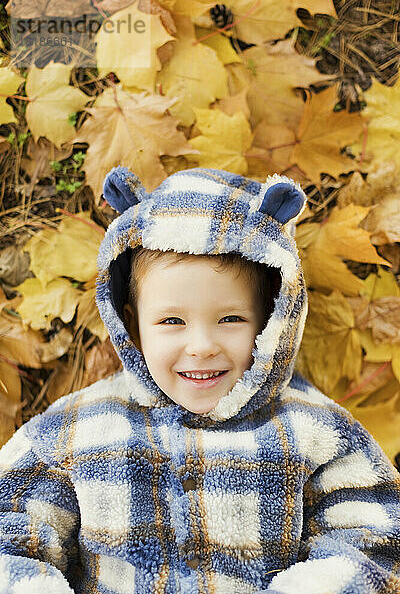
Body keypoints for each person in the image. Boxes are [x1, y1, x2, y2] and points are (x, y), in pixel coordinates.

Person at [0, 167, 399, 594]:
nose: (202, 346)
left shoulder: (318, 430)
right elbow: (12, 533)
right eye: (172, 321)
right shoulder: (77, 428)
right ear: (133, 328)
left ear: (270, 323)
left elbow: (373, 540)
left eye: (230, 319)